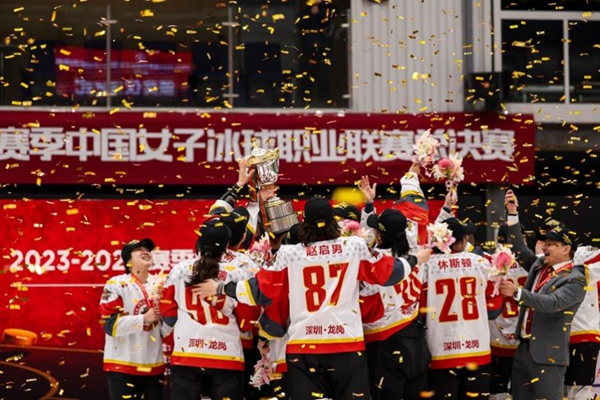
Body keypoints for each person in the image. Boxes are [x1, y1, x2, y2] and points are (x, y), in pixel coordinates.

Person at [196, 196, 431, 400]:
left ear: (304, 223)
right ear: (333, 222)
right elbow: (389, 273)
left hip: (304, 348)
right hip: (347, 346)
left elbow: (259, 290)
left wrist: (220, 288)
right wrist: (415, 259)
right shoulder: (353, 247)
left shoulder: (289, 254)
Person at [499, 189, 586, 400]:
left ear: (566, 248)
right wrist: (512, 213)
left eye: (551, 244)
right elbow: (518, 249)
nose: (544, 247)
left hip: (548, 357)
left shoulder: (575, 279)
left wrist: (517, 292)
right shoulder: (539, 265)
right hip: (523, 350)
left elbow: (551, 303)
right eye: (544, 243)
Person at [160, 219, 258, 400]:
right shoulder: (238, 272)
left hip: (186, 354)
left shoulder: (179, 270)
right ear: (226, 246)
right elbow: (247, 321)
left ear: (198, 242)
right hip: (227, 356)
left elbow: (168, 314)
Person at [422, 218, 503, 400]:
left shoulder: (427, 266)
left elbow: (419, 307)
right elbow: (495, 308)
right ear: (463, 239)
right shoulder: (482, 262)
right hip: (477, 349)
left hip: (440, 349)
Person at [361, 209, 430, 400]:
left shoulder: (375, 261)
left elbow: (366, 306)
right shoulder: (418, 255)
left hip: (386, 344)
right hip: (417, 342)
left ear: (379, 235)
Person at [100, 238, 165, 400]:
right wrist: (143, 319)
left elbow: (167, 324)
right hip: (122, 365)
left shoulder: (161, 284)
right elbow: (110, 325)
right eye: (139, 250)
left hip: (154, 365)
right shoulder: (116, 284)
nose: (146, 252)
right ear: (128, 260)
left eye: (147, 250)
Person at [488, 223, 528, 400]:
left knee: (497, 393)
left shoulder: (488, 262)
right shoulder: (534, 262)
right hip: (525, 339)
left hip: (496, 338)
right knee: (525, 394)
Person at [296, 0, 337, 107]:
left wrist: (321, 9)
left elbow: (334, 16)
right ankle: (305, 101)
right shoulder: (305, 10)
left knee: (324, 75)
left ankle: (323, 101)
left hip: (323, 48)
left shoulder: (327, 8)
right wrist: (311, 13)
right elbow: (300, 23)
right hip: (308, 48)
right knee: (306, 75)